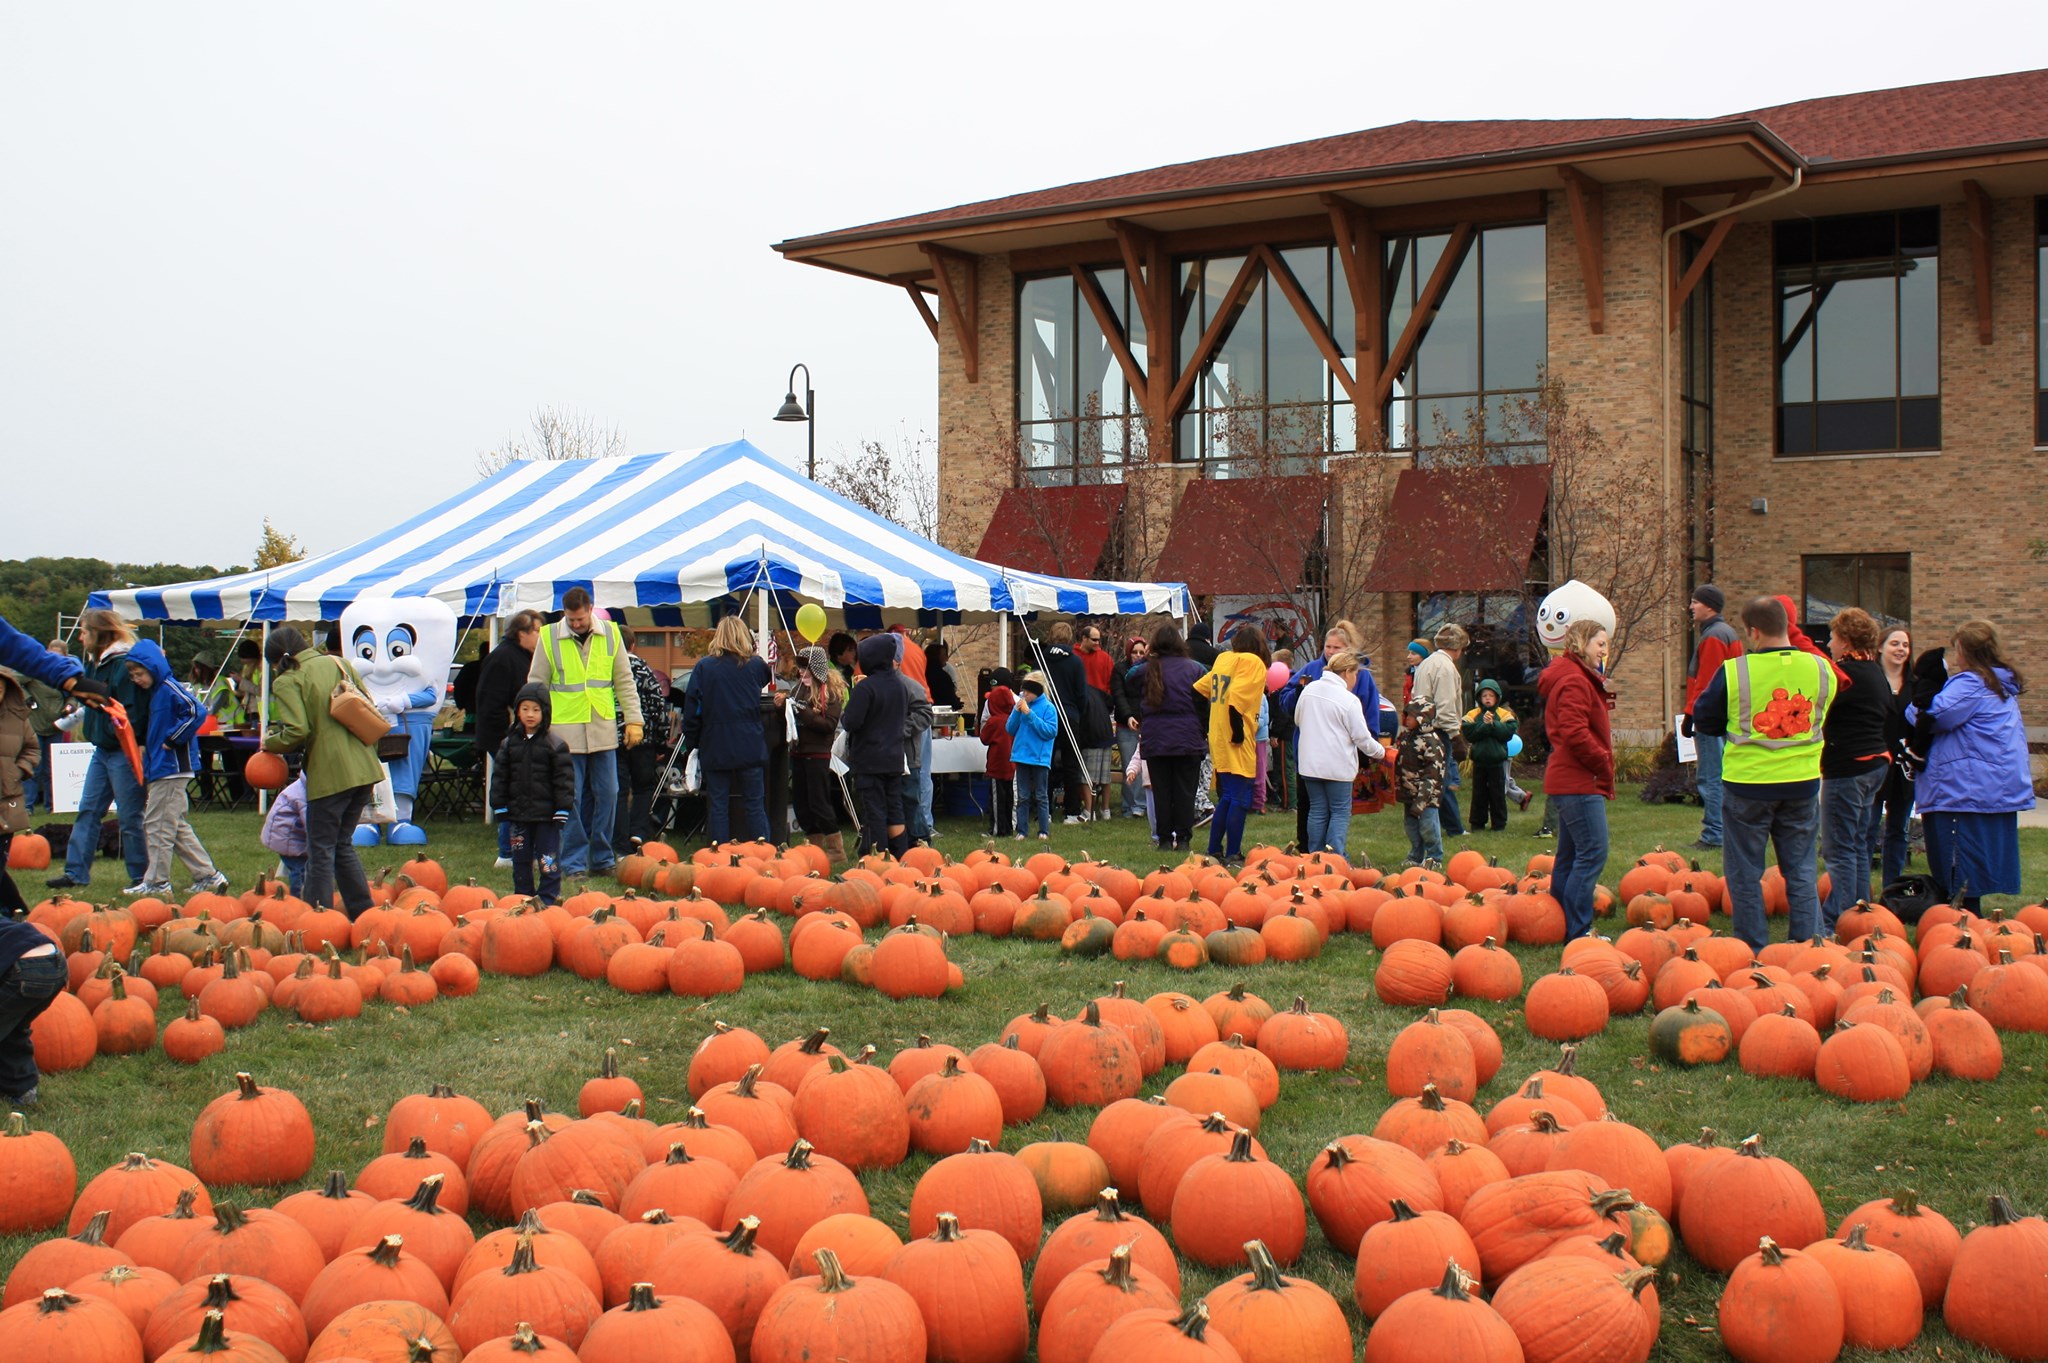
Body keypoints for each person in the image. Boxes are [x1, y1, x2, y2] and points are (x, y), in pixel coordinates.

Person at [1692, 596, 1836, 951]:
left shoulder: (1736, 671)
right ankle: (1806, 945)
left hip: (1748, 785)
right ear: (1788, 625)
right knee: (1801, 869)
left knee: (1745, 873)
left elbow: (1706, 720)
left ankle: (1752, 947)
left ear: (1753, 631)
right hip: (1801, 784)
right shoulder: (1821, 668)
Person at [261, 624, 384, 918]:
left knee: (320, 850)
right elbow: (367, 705)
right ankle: (362, 913)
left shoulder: (288, 680)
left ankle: (317, 917)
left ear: (277, 661)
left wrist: (270, 743)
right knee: (341, 844)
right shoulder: (338, 662)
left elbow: (296, 731)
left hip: (330, 774)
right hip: (365, 768)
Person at [1910, 620, 2031, 911]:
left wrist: (1912, 703)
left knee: (1958, 865)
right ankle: (1967, 915)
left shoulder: (1970, 683)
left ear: (1964, 649)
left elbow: (1933, 717)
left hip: (1963, 789)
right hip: (1991, 785)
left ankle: (1963, 920)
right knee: (1977, 861)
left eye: (1957, 649)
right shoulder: (2000, 683)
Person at [527, 590, 643, 875]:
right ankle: (573, 861)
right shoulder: (549, 636)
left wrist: (634, 720)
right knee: (571, 799)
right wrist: (534, 725)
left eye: (579, 618)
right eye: (570, 619)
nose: (576, 624)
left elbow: (624, 681)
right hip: (564, 733)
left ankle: (602, 858)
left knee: (610, 794)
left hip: (602, 728)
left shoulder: (611, 634)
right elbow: (536, 684)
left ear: (591, 609)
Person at [49, 609, 149, 891]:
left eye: (84, 631)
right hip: (102, 750)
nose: (80, 637)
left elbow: (133, 711)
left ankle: (142, 877)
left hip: (122, 750)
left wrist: (136, 745)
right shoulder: (96, 664)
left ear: (99, 633)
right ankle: (75, 872)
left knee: (130, 817)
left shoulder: (122, 665)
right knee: (89, 810)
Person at [121, 640, 225, 897]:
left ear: (153, 667)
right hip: (162, 766)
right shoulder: (158, 692)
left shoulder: (169, 688)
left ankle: (157, 882)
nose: (136, 679)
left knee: (156, 823)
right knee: (174, 824)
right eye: (132, 675)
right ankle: (208, 876)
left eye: (140, 673)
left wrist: (172, 739)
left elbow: (195, 711)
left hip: (171, 767)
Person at [1816, 607, 1894, 932]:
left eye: (1832, 638)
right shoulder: (1875, 672)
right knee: (1859, 842)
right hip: (1875, 764)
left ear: (1845, 640)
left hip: (1847, 768)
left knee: (1839, 848)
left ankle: (1840, 919)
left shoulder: (1844, 675)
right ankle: (1862, 910)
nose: (1829, 644)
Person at [1537, 619, 1614, 938]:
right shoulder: (1574, 681)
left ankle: (1561, 923)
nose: (1604, 650)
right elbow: (1574, 732)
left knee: (1570, 855)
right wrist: (1602, 758)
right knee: (1593, 851)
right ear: (1582, 643)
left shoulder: (1574, 676)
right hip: (1578, 779)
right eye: (1600, 643)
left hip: (1571, 778)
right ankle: (1579, 930)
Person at [1277, 622, 1387, 848]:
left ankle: (1317, 853)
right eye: (1328, 646)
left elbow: (1370, 712)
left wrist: (1369, 743)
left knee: (1319, 808)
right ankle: (1325, 853)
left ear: (1347, 650)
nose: (1331, 651)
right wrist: (1378, 750)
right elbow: (1289, 704)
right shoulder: (1311, 673)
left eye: (1337, 648)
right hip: (1324, 755)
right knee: (1329, 809)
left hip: (1323, 755)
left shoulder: (1360, 677)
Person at [680, 616, 772, 845]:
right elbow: (764, 679)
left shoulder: (704, 667)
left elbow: (691, 710)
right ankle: (766, 854)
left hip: (715, 743)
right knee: (754, 804)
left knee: (718, 805)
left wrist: (693, 743)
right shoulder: (756, 665)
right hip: (750, 743)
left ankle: (718, 855)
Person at [491, 683, 576, 904]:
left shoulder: (555, 745)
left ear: (544, 712)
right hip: (518, 817)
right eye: (525, 708)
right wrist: (500, 807)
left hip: (546, 818)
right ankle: (523, 896)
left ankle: (547, 898)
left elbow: (564, 782)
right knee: (520, 858)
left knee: (548, 859)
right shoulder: (508, 745)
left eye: (536, 710)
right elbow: (499, 778)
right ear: (517, 711)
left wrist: (562, 809)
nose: (530, 714)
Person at [474, 610, 543, 868]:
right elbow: (492, 703)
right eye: (537, 631)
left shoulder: (523, 657)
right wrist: (507, 738)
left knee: (524, 793)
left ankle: (524, 850)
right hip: (504, 739)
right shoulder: (503, 658)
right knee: (514, 793)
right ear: (522, 632)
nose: (540, 637)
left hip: (520, 737)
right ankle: (507, 852)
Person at [1194, 626, 1268, 865]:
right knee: (1240, 797)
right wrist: (1237, 732)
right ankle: (1233, 853)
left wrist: (1208, 722)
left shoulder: (1224, 659)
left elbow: (1198, 690)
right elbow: (1236, 700)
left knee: (1227, 795)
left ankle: (1214, 849)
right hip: (1237, 737)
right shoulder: (1252, 663)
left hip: (1218, 735)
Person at [1133, 624, 1207, 853]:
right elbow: (1205, 702)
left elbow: (1127, 678)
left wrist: (1146, 658)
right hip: (1188, 738)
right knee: (1185, 791)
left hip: (1156, 738)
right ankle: (1183, 838)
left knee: (1162, 792)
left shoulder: (1146, 670)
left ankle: (1164, 838)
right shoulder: (1195, 669)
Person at [840, 633, 913, 857]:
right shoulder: (900, 686)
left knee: (875, 811)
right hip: (893, 757)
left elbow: (851, 721)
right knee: (894, 808)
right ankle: (901, 855)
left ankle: (880, 857)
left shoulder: (866, 688)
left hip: (869, 759)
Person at [1685, 585, 1744, 849]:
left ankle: (1714, 834)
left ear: (1709, 606)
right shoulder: (1726, 633)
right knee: (1720, 775)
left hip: (1712, 718)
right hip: (1725, 716)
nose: (1691, 607)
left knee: (1711, 776)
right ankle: (1723, 831)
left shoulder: (1714, 636)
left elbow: (1706, 682)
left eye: (1695, 602)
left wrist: (1691, 714)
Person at [789, 645, 846, 864]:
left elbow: (829, 724)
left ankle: (835, 848)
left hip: (818, 753)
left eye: (806, 667)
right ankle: (813, 846)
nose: (801, 671)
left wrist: (803, 712)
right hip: (799, 752)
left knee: (819, 801)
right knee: (802, 803)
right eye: (800, 667)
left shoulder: (830, 691)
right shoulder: (798, 689)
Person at [613, 650, 673, 856]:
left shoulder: (605, 666)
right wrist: (661, 739)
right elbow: (658, 704)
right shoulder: (643, 669)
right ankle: (638, 831)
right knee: (643, 788)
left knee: (619, 791)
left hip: (613, 738)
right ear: (632, 645)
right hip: (644, 737)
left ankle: (619, 842)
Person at [1868, 626, 1915, 888]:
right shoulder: (1872, 680)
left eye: (1905, 645)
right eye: (1895, 644)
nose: (1900, 650)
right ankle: (1859, 889)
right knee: (1868, 828)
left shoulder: (1916, 684)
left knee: (1899, 829)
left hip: (1905, 767)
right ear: (1880, 647)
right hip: (1876, 762)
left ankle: (1893, 888)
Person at [1412, 623, 1469, 838]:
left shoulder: (1426, 664)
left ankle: (1449, 827)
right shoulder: (1445, 668)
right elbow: (1445, 706)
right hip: (1438, 731)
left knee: (1430, 782)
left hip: (1422, 728)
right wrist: (1455, 737)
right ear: (1457, 647)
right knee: (1438, 784)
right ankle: (1437, 829)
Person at [1038, 623, 1093, 825]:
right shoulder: (1075, 662)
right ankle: (1071, 811)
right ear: (1070, 638)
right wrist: (1078, 712)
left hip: (1045, 714)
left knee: (1046, 762)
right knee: (1071, 765)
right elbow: (1082, 694)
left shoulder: (1041, 659)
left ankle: (1046, 811)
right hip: (1070, 714)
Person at [1, 667, 42, 916]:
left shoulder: (18, 718)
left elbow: (32, 749)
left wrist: (20, 770)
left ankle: (12, 909)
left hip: (7, 797)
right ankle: (15, 908)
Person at [889, 626, 936, 840]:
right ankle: (920, 827)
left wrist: (900, 728)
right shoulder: (918, 650)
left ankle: (920, 836)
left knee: (910, 791)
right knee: (918, 782)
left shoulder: (906, 684)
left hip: (906, 744)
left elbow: (924, 712)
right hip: (901, 744)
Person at [1394, 699, 1447, 867]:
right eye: (1406, 715)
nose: (1407, 719)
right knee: (1412, 828)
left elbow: (1432, 774)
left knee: (1427, 826)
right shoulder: (1406, 737)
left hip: (1427, 795)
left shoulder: (1432, 742)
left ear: (1422, 718)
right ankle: (1416, 855)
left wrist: (1422, 799)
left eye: (1411, 715)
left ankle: (1435, 857)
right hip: (1409, 793)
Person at [1461, 679, 1520, 832]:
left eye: (1491, 695)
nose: (1487, 698)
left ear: (1497, 697)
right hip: (1479, 761)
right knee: (1478, 794)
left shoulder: (1504, 714)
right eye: (1484, 695)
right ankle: (1477, 823)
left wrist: (1494, 724)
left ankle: (1499, 824)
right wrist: (1485, 725)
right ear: (1479, 697)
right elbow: (1470, 734)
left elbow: (1507, 733)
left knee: (1498, 794)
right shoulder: (1472, 714)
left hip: (1497, 762)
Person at [1007, 674, 1058, 840]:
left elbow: (1050, 731)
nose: (1024, 695)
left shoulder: (1048, 708)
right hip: (1021, 757)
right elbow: (1010, 729)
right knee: (1022, 796)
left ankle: (1044, 830)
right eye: (1023, 692)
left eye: (1027, 692)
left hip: (1039, 758)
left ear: (1036, 691)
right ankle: (1022, 830)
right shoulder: (1021, 706)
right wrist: (1016, 712)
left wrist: (1030, 715)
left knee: (1041, 795)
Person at [1076, 624, 1117, 815]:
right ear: (1083, 638)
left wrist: (1105, 703)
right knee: (1088, 769)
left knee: (1102, 772)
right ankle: (1090, 809)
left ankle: (1103, 809)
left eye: (1099, 639)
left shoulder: (1105, 658)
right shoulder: (1075, 657)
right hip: (1083, 713)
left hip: (1100, 711)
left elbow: (1111, 685)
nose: (1098, 643)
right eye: (1094, 639)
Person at [978, 668, 1017, 840]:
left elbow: (984, 738)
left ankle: (996, 828)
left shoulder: (994, 721)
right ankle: (1009, 826)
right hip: (1013, 763)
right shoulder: (1014, 717)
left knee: (996, 798)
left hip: (996, 765)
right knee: (1010, 796)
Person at [1112, 637, 1148, 819]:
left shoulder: (1149, 669)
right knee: (1129, 764)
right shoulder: (1120, 669)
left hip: (1146, 722)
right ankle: (1128, 805)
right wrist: (1128, 716)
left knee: (1143, 765)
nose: (1138, 656)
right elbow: (1118, 695)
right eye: (1135, 652)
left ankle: (1141, 804)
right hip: (1126, 724)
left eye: (1142, 652)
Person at [261, 773, 310, 899]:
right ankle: (298, 898)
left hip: (291, 834)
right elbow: (311, 823)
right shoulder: (305, 794)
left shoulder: (305, 786)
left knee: (300, 867)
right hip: (287, 837)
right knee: (299, 871)